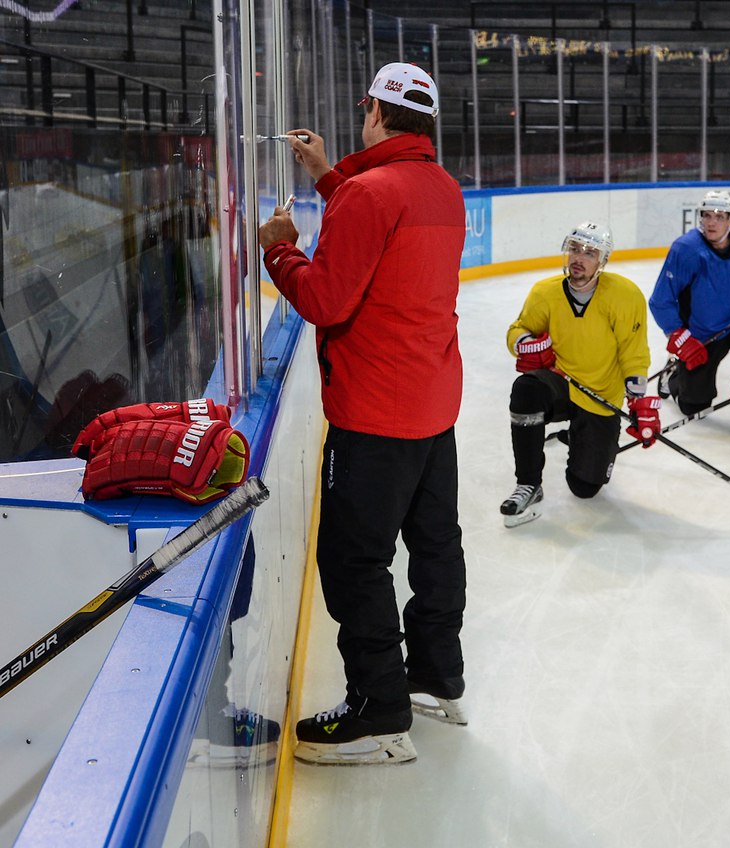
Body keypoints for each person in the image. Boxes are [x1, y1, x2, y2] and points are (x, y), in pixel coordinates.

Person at [258, 62, 466, 765]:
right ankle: (438, 673)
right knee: (435, 546)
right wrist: (325, 173)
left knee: (354, 562)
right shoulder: (443, 188)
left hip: (375, 413)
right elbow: (382, 216)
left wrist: (279, 251)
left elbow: (324, 300)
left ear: (374, 112)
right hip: (434, 404)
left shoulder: (370, 195)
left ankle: (380, 709)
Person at [501, 222, 655, 527]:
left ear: (603, 260)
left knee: (585, 487)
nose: (578, 258)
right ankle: (529, 484)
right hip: (561, 383)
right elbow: (517, 330)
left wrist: (638, 400)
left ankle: (579, 436)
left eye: (589, 252)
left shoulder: (625, 296)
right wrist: (526, 345)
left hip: (600, 396)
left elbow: (633, 352)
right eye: (574, 248)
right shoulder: (545, 293)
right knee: (526, 389)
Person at [650, 190, 730, 423]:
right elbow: (661, 300)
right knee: (693, 405)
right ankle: (674, 373)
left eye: (720, 216)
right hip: (705, 333)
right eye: (707, 215)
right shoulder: (687, 249)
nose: (711, 222)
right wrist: (680, 339)